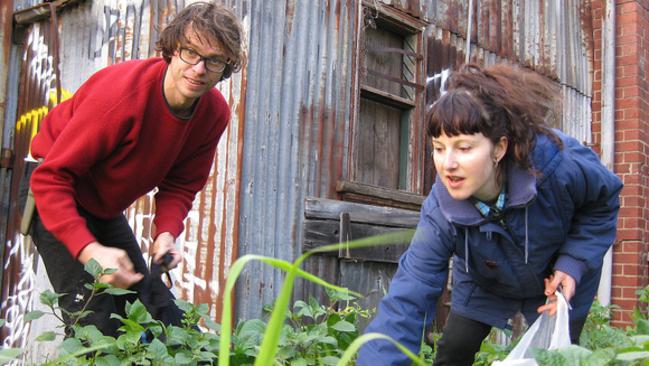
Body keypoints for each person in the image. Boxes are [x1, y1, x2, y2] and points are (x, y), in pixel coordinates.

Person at [356, 63, 623, 365]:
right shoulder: (441, 210)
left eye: (464, 147)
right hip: (486, 275)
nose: (448, 164)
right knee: (453, 351)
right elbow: (409, 294)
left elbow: (602, 203)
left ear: (499, 148)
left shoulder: (557, 165)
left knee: (554, 356)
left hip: (556, 275)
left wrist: (573, 261)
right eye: (439, 148)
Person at [28, 1, 244, 337]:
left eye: (213, 60)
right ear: (172, 49)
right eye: (190, 52)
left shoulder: (213, 114)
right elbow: (51, 179)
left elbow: (181, 185)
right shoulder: (121, 96)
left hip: (103, 208)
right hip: (55, 198)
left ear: (226, 66)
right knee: (96, 326)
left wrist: (165, 234)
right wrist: (93, 252)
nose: (199, 69)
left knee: (157, 311)